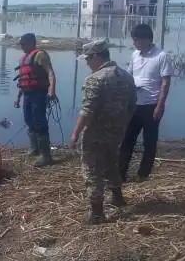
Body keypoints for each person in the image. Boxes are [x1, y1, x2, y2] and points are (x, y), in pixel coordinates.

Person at [69, 40, 137, 225]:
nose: (87, 63)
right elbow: (132, 105)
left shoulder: (94, 79)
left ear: (97, 56)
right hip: (117, 131)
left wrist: (75, 134)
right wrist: (122, 124)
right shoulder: (126, 76)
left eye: (88, 59)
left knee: (92, 171)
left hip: (96, 134)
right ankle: (117, 197)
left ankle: (97, 213)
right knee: (110, 163)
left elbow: (87, 112)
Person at [120, 23, 173, 182]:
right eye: (134, 40)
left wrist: (160, 105)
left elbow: (165, 82)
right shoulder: (135, 55)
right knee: (127, 139)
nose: (135, 43)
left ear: (147, 39)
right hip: (135, 104)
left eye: (137, 40)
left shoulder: (161, 56)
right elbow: (129, 77)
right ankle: (120, 173)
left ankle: (143, 174)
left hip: (151, 105)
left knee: (149, 142)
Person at [13, 33, 57, 167]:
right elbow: (23, 80)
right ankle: (34, 149)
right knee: (28, 120)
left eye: (23, 44)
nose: (21, 46)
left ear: (31, 43)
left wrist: (51, 91)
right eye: (20, 44)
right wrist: (18, 98)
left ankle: (46, 156)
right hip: (27, 94)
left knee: (40, 122)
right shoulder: (23, 59)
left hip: (39, 93)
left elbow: (50, 73)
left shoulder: (40, 55)